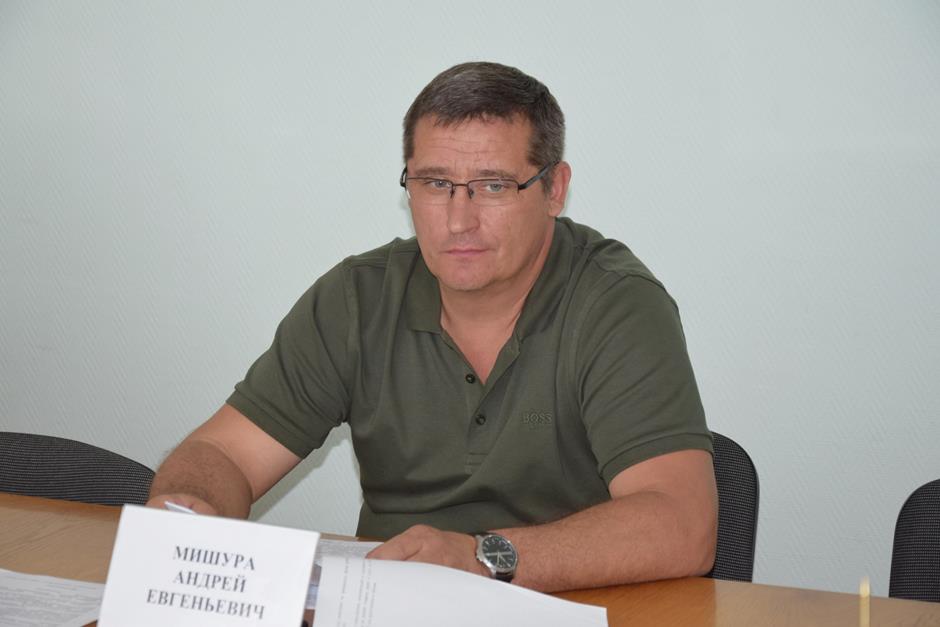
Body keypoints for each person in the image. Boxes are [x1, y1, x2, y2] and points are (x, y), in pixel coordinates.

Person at [147, 61, 717, 593]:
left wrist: (482, 558)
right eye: (435, 183)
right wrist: (190, 506)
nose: (459, 219)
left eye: (493, 185)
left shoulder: (616, 304)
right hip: (386, 605)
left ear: (555, 189)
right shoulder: (358, 298)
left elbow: (683, 524)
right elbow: (224, 453)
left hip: (565, 604)